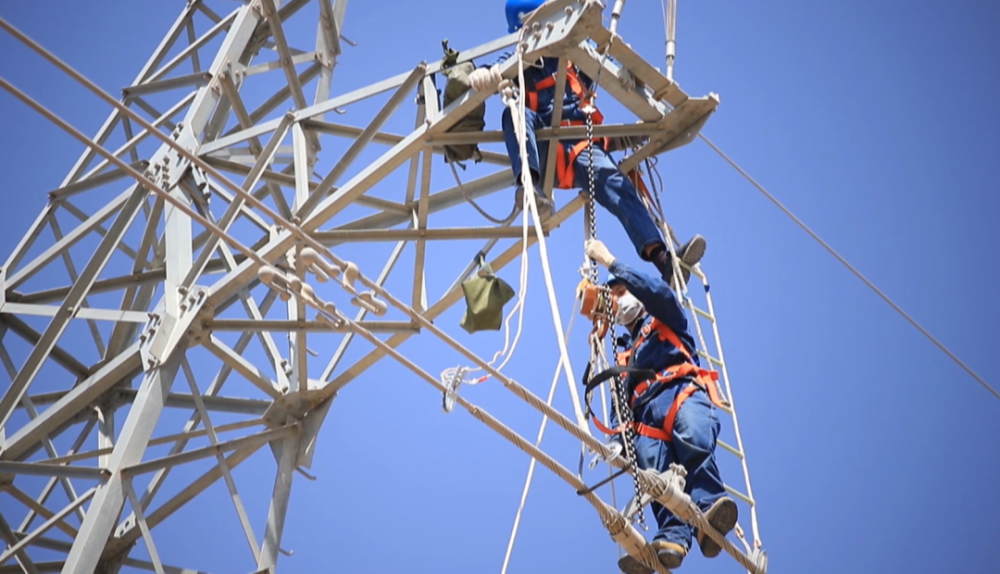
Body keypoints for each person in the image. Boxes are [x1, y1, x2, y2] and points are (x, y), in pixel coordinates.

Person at [466, 0, 706, 286]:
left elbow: (603, 61)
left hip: (581, 146)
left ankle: (664, 261)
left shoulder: (575, 48)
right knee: (514, 114)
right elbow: (497, 67)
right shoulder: (522, 56)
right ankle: (529, 187)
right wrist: (482, 73)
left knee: (619, 188)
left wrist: (625, 72)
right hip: (546, 153)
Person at [584, 237, 737, 573]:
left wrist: (611, 262)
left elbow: (657, 291)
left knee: (694, 438)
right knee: (655, 478)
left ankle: (709, 510)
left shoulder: (664, 314)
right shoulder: (623, 354)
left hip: (680, 391)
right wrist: (616, 441)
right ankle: (672, 538)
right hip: (645, 421)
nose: (619, 300)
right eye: (613, 297)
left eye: (622, 291)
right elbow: (619, 405)